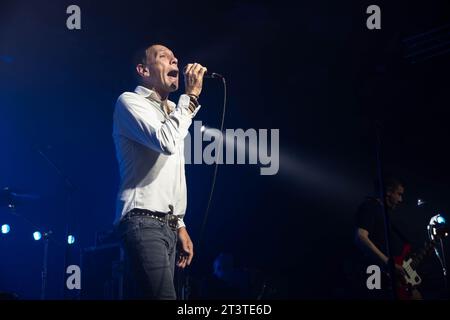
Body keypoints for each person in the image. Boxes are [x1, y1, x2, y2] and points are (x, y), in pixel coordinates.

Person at [112, 44, 207, 299]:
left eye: (175, 56)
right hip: (142, 220)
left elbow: (172, 176)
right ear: (143, 70)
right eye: (163, 57)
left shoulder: (174, 113)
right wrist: (191, 97)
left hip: (167, 225)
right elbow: (165, 142)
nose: (175, 59)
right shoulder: (130, 102)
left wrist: (180, 225)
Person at [354, 177, 422, 299]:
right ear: (388, 192)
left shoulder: (383, 212)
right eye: (399, 194)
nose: (401, 199)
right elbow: (360, 237)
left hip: (386, 273)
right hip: (374, 271)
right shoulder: (370, 206)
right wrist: (389, 263)